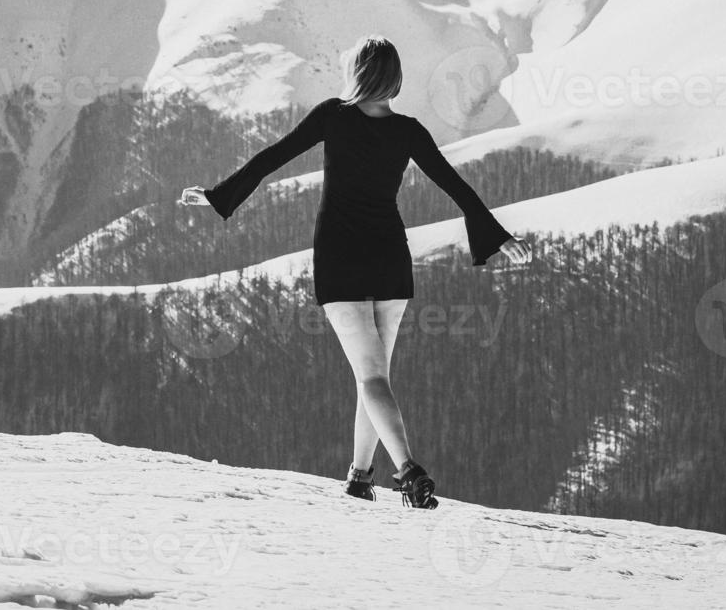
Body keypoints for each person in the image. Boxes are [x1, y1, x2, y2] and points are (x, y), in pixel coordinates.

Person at [178, 35, 532, 509]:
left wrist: (218, 196)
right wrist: (499, 237)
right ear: (394, 78)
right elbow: (455, 185)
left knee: (371, 377)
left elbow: (271, 159)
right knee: (375, 376)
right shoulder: (408, 130)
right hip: (389, 259)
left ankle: (407, 469)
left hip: (341, 258)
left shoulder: (333, 115)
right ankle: (361, 476)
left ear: (359, 73)